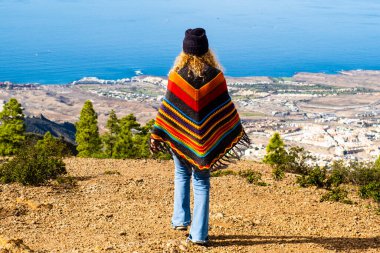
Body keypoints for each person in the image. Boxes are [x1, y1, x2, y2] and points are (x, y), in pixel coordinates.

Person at [150, 28, 250, 245]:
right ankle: (199, 235)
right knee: (202, 182)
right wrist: (234, 129)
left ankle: (179, 219)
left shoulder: (176, 76)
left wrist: (158, 132)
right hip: (205, 141)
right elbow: (226, 109)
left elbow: (166, 109)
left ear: (184, 51)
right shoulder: (216, 77)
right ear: (206, 50)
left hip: (181, 138)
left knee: (181, 173)